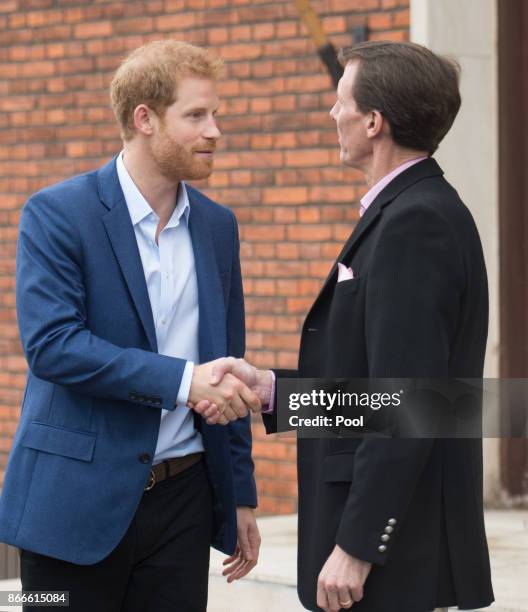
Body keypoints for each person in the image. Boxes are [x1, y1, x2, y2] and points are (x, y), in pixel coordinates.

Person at [200, 41, 495, 612]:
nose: (333, 115)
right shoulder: (411, 210)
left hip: (396, 555)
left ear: (374, 122)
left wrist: (359, 545)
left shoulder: (416, 222)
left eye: (341, 103)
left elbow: (409, 401)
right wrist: (273, 392)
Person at [0, 40, 262, 612]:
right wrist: (182, 381)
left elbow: (228, 365)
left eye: (216, 114)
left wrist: (239, 495)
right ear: (144, 118)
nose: (214, 130)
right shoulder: (55, 213)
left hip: (184, 507)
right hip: (68, 512)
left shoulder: (218, 227)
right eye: (196, 115)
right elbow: (53, 346)